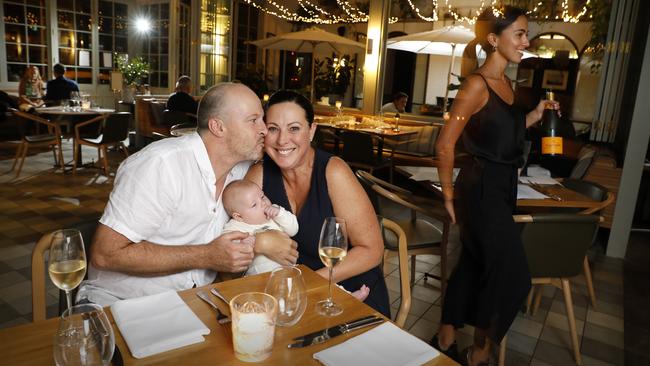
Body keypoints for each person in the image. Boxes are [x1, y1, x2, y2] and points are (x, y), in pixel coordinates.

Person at [76, 83, 298, 306]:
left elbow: (289, 152)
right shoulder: (160, 166)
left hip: (192, 303)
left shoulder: (240, 168)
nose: (264, 129)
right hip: (119, 302)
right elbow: (105, 254)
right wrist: (207, 255)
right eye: (253, 120)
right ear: (218, 127)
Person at [433, 7, 560, 366]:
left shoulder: (508, 87)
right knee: (514, 276)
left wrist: (535, 116)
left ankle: (445, 338)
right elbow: (445, 144)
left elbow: (504, 135)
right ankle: (479, 353)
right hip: (480, 187)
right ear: (493, 39)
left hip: (504, 186)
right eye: (519, 34)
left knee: (473, 264)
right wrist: (447, 195)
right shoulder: (476, 85)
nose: (526, 41)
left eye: (526, 34)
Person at [245, 90, 386, 316]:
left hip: (350, 293)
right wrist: (258, 242)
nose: (282, 140)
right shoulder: (257, 176)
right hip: (293, 300)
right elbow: (238, 234)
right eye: (273, 128)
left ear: (311, 131)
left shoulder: (334, 172)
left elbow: (372, 251)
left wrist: (305, 285)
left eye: (294, 128)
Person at [222, 179, 299, 275]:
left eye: (262, 197)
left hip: (287, 271)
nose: (263, 203)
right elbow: (227, 246)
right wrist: (242, 243)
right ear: (239, 216)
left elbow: (293, 229)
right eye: (254, 205)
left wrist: (280, 213)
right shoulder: (236, 226)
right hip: (256, 276)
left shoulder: (275, 214)